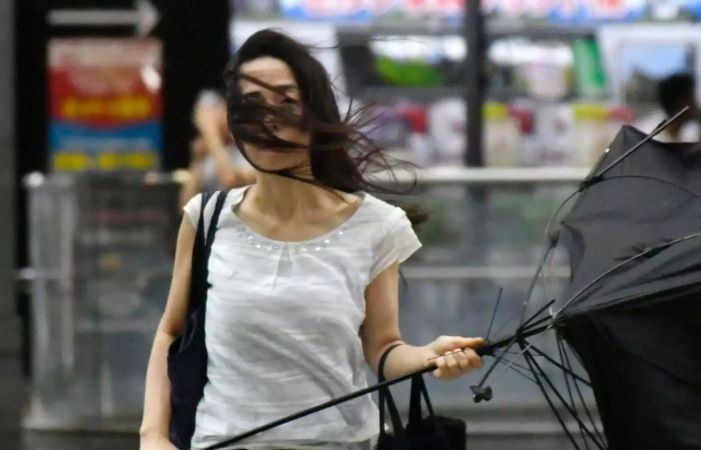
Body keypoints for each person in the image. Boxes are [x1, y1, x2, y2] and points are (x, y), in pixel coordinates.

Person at [140, 29, 484, 450]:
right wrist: (153, 435)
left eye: (286, 101)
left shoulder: (376, 226)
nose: (269, 120)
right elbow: (170, 332)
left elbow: (383, 348)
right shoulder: (206, 218)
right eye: (252, 105)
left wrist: (428, 357)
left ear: (316, 110)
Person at [179, 89, 256, 208]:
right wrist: (198, 159)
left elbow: (230, 181)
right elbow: (186, 205)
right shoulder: (210, 149)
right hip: (212, 223)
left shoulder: (252, 149)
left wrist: (209, 131)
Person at [635, 72, 701, 142]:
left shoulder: (691, 135)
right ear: (681, 101)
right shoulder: (649, 136)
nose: (697, 103)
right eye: (693, 97)